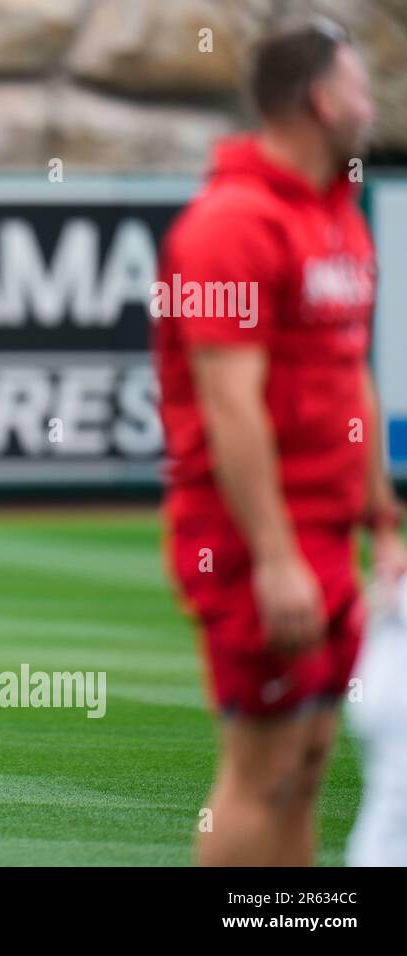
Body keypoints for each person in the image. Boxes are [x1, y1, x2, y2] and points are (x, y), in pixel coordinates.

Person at [154, 17, 407, 866]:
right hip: (251, 540)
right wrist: (273, 555)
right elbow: (232, 407)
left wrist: (381, 517)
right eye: (361, 84)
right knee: (259, 771)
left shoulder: (339, 211)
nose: (373, 103)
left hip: (329, 536)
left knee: (308, 764)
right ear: (321, 98)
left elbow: (352, 378)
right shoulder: (231, 223)